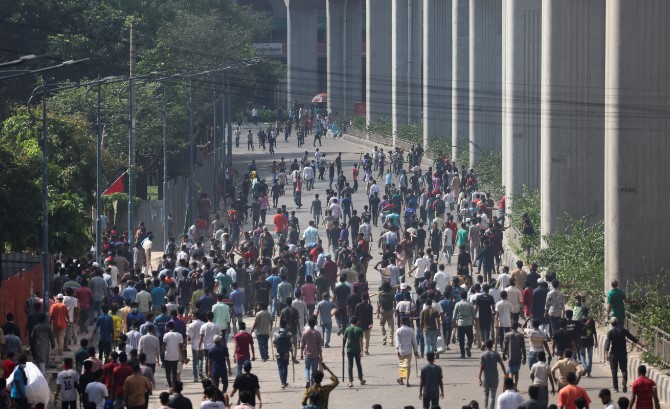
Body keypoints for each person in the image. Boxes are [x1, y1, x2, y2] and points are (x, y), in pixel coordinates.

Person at [604, 316, 641, 393]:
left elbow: (607, 343)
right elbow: (632, 338)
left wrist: (606, 353)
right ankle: (624, 379)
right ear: (618, 323)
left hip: (613, 353)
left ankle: (615, 388)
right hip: (622, 353)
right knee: (624, 369)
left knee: (614, 371)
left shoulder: (610, 333)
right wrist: (641, 344)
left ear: (611, 324)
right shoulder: (623, 331)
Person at [478, 339, 506, 409]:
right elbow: (502, 364)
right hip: (494, 378)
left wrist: (479, 378)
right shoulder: (496, 354)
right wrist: (505, 373)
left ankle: (485, 407)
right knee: (493, 396)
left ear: (486, 346)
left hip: (486, 378)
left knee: (485, 395)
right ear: (492, 345)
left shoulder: (483, 355)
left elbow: (481, 368)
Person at [342, 316, 366, 388]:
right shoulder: (359, 329)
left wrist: (342, 350)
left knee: (350, 365)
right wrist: (362, 350)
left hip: (349, 350)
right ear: (357, 322)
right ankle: (361, 379)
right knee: (358, 364)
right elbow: (361, 341)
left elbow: (344, 340)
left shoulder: (347, 329)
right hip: (357, 349)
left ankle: (350, 381)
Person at [301, 316, 323, 388]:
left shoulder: (304, 333)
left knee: (307, 368)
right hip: (315, 354)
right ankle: (311, 383)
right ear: (315, 324)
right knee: (314, 369)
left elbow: (302, 344)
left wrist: (301, 353)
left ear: (308, 324)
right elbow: (320, 346)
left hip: (307, 353)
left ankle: (307, 379)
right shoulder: (317, 333)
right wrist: (320, 354)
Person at [503, 322, 527, 386]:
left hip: (510, 356)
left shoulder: (507, 334)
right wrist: (524, 357)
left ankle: (511, 385)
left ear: (511, 327)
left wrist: (503, 355)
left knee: (510, 371)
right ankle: (515, 386)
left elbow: (505, 346)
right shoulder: (520, 335)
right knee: (516, 372)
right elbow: (523, 348)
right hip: (518, 356)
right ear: (517, 327)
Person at [163, 321, 185, 388]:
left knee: (168, 372)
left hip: (168, 356)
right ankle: (174, 385)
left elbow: (163, 346)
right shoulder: (179, 335)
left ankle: (170, 385)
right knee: (174, 372)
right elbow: (181, 347)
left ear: (168, 327)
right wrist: (183, 357)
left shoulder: (166, 335)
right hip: (176, 356)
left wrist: (163, 351)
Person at [453, 290, 475, 359]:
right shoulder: (470, 304)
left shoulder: (458, 304)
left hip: (460, 324)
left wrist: (453, 323)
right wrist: (475, 321)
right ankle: (468, 346)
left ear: (460, 296)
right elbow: (473, 315)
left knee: (461, 339)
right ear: (466, 296)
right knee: (470, 338)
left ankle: (462, 354)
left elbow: (454, 315)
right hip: (468, 323)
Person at [273, 319, 293, 389]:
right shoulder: (289, 333)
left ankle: (283, 382)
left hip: (279, 353)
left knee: (280, 367)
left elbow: (274, 343)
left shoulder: (276, 333)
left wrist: (277, 346)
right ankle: (284, 381)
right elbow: (291, 345)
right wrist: (292, 354)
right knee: (285, 367)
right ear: (286, 325)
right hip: (286, 354)